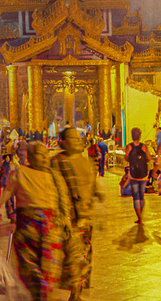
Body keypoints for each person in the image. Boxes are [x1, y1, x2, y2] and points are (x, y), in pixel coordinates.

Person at [8, 140, 66, 301]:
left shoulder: (54, 175)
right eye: (40, 155)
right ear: (30, 157)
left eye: (46, 154)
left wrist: (65, 219)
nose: (45, 158)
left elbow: (63, 198)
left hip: (51, 228)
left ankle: (45, 293)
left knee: (50, 266)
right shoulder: (20, 172)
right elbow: (8, 193)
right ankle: (37, 292)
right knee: (28, 266)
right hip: (27, 227)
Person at [50, 128, 96, 301]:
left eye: (78, 138)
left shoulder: (85, 161)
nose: (77, 141)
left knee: (84, 255)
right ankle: (74, 292)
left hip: (84, 217)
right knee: (72, 258)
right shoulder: (57, 162)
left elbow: (92, 187)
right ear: (62, 141)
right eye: (72, 138)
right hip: (68, 217)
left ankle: (78, 290)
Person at [122, 127, 151, 224]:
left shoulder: (129, 147)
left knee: (136, 196)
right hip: (143, 175)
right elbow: (149, 158)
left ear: (131, 135)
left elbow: (126, 157)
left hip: (133, 175)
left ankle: (139, 217)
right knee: (141, 195)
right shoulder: (143, 146)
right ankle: (141, 214)